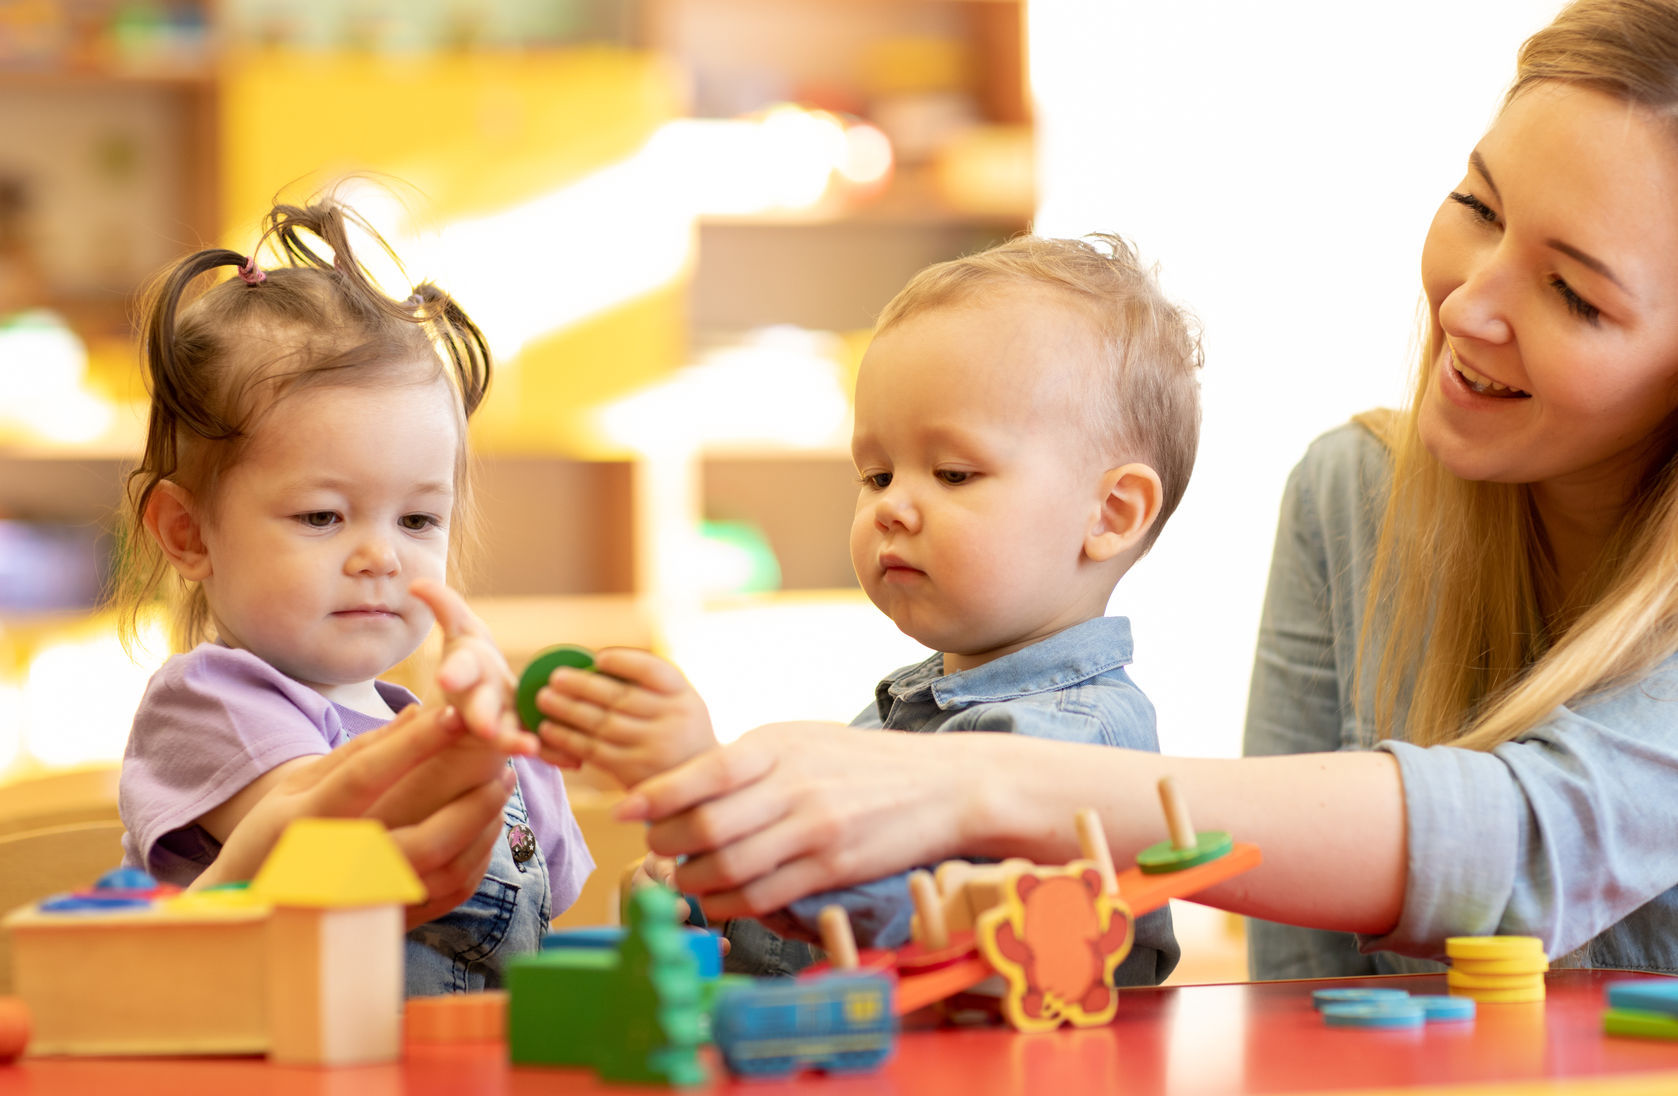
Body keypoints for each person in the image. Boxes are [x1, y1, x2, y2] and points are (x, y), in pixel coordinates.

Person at [599, 0, 1678, 982]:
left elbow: (1528, 845)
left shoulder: (1044, 738)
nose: (1466, 306)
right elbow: (1300, 983)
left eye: (1573, 294)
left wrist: (954, 792)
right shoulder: (1351, 497)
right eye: (1476, 206)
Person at [532, 233, 1203, 984]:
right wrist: (697, 897)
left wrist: (713, 793)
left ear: (1111, 512)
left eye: (952, 472)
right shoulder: (903, 710)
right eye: (876, 474)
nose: (893, 507)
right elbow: (813, 933)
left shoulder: (1075, 743)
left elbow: (935, 935)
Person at [112, 193, 592, 994]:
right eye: (323, 515)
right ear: (189, 534)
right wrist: (471, 734)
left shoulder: (432, 726)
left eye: (416, 517)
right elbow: (346, 824)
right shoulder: (212, 702)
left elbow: (559, 932)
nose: (379, 554)